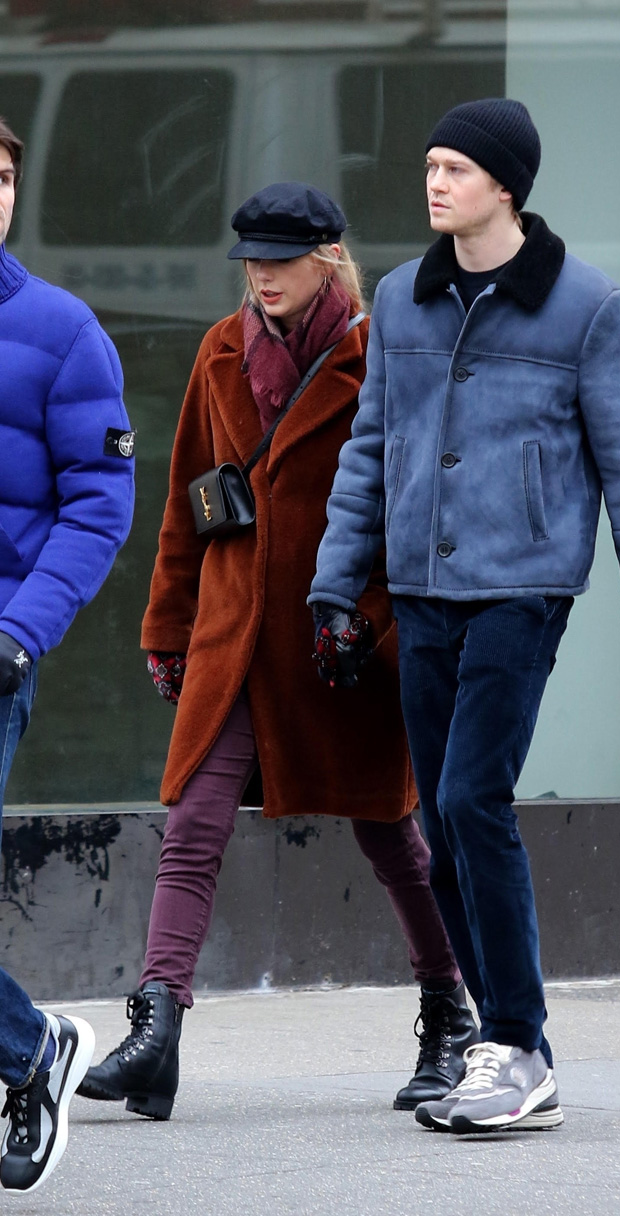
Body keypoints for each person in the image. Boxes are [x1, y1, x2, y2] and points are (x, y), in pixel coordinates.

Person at [309, 98, 620, 1136]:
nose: (434, 182)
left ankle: (517, 1041)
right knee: (438, 815)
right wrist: (333, 590)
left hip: (522, 591)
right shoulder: (400, 298)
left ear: (504, 186)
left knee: (473, 797)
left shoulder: (587, 310)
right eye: (429, 165)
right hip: (421, 591)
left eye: (454, 168)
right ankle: (502, 1046)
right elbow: (369, 452)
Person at [77, 182, 477, 1122]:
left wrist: (376, 628)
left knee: (392, 836)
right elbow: (190, 502)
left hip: (342, 639)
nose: (259, 274)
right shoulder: (220, 348)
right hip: (234, 636)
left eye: (278, 259)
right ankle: (158, 1026)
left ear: (328, 258)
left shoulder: (381, 354)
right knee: (193, 824)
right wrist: (167, 630)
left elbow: (414, 508)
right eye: (250, 258)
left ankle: (447, 1009)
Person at [0, 117, 135, 1191]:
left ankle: (32, 1053)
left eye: (1, 178)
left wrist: (20, 629)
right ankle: (29, 1048)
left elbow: (98, 506)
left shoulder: (62, 330)